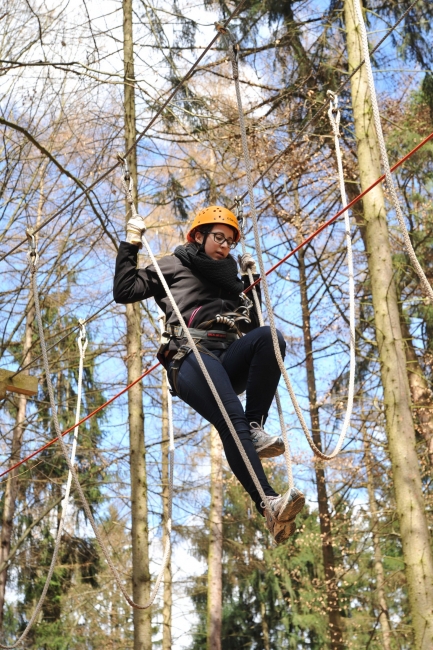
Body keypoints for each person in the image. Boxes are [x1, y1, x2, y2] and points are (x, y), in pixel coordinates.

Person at [113, 205, 305, 543]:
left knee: (270, 339)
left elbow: (253, 327)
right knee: (231, 420)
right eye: (219, 238)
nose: (226, 246)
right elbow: (125, 290)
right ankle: (269, 504)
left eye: (231, 241)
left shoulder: (231, 281)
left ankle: (255, 426)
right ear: (198, 236)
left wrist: (250, 285)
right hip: (190, 357)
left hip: (225, 357)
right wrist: (131, 244)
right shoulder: (173, 265)